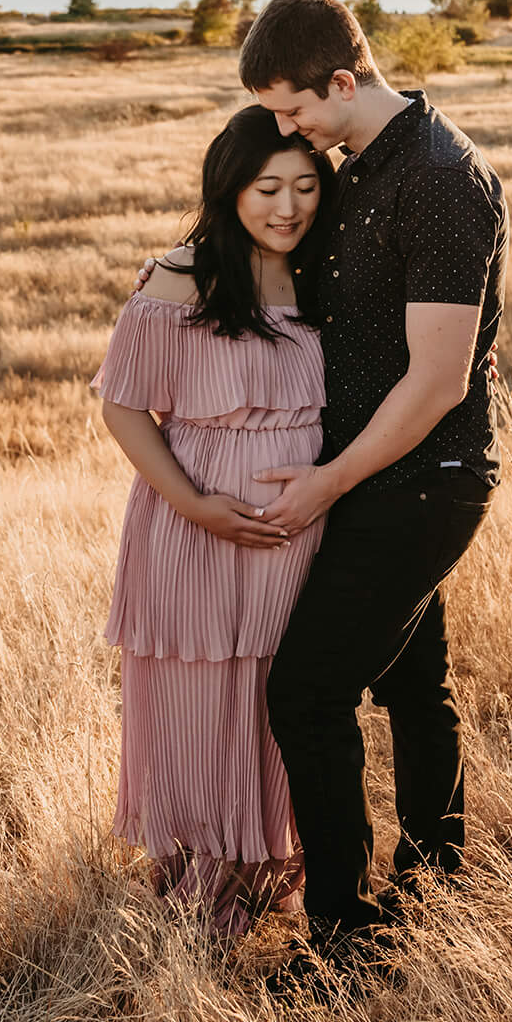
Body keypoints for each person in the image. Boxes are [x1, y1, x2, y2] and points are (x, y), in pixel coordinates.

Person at [237, 0, 508, 975]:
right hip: (379, 477)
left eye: (293, 109)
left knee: (306, 693)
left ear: (343, 82)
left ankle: (344, 937)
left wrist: (327, 481)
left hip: (421, 482)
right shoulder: (363, 166)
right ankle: (435, 888)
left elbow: (438, 380)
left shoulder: (435, 176)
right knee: (413, 684)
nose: (286, 130)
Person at [91, 105, 335, 935]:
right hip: (192, 531)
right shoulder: (179, 280)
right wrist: (196, 504)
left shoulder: (325, 271)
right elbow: (123, 407)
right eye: (267, 187)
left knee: (276, 700)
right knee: (199, 702)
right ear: (230, 187)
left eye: (305, 186)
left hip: (296, 540)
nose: (288, 207)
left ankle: (270, 872)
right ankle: (198, 888)